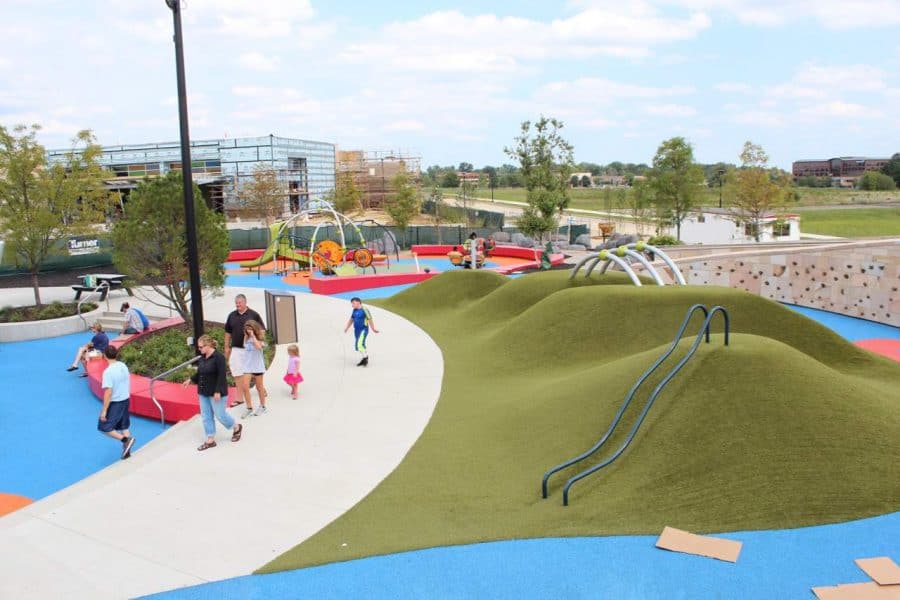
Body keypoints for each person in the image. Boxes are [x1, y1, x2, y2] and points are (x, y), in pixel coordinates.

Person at [183, 334, 243, 451]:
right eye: (198, 347)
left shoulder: (218, 357)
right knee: (206, 416)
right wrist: (190, 380)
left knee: (220, 415)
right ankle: (210, 439)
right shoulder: (202, 358)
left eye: (201, 347)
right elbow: (200, 373)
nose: (199, 350)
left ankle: (236, 427)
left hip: (216, 391)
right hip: (203, 391)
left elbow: (221, 375)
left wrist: (217, 391)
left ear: (209, 345)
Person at [224, 293, 265, 418]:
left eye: (239, 303)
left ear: (245, 302)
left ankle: (262, 398)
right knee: (237, 372)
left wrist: (258, 340)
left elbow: (262, 330)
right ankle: (241, 399)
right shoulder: (231, 315)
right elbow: (227, 332)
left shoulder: (254, 314)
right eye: (236, 303)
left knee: (258, 381)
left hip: (253, 350)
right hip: (237, 348)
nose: (237, 305)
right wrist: (226, 346)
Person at [98, 345, 136, 460]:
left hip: (116, 403)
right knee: (124, 427)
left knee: (104, 427)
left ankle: (125, 440)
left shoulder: (108, 372)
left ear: (104, 356)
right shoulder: (123, 365)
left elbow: (108, 392)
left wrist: (104, 411)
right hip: (125, 399)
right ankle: (127, 451)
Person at [242, 319, 268, 416]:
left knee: (259, 387)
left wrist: (253, 336)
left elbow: (258, 347)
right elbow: (245, 347)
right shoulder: (246, 337)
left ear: (254, 328)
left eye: (250, 328)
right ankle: (249, 407)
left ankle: (262, 406)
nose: (248, 330)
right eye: (246, 328)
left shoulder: (259, 338)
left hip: (257, 366)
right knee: (245, 387)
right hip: (247, 366)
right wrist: (246, 336)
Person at [344, 296, 379, 367]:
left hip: (363, 330)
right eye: (352, 303)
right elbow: (351, 319)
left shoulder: (365, 310)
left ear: (358, 302)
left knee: (359, 345)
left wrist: (373, 329)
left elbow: (370, 319)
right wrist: (347, 327)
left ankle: (365, 358)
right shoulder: (354, 310)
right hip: (356, 330)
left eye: (353, 303)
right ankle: (364, 358)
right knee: (361, 344)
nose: (352, 305)